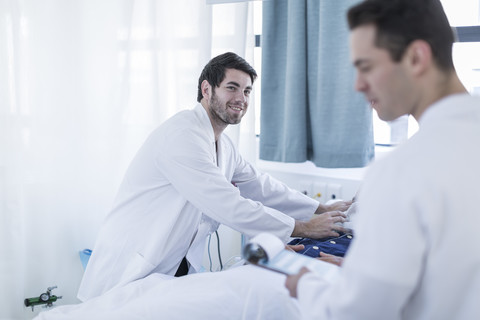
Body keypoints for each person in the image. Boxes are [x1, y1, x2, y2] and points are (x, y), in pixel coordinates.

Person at [78, 51, 352, 302]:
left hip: (172, 263)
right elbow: (228, 205)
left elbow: (260, 185)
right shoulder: (182, 136)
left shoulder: (222, 143)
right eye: (231, 87)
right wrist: (303, 227)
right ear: (206, 89)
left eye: (246, 91)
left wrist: (319, 207)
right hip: (134, 263)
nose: (241, 99)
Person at [285, 0, 480, 319]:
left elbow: (355, 313)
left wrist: (306, 283)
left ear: (416, 57)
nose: (358, 85)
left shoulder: (404, 170)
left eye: (366, 67)